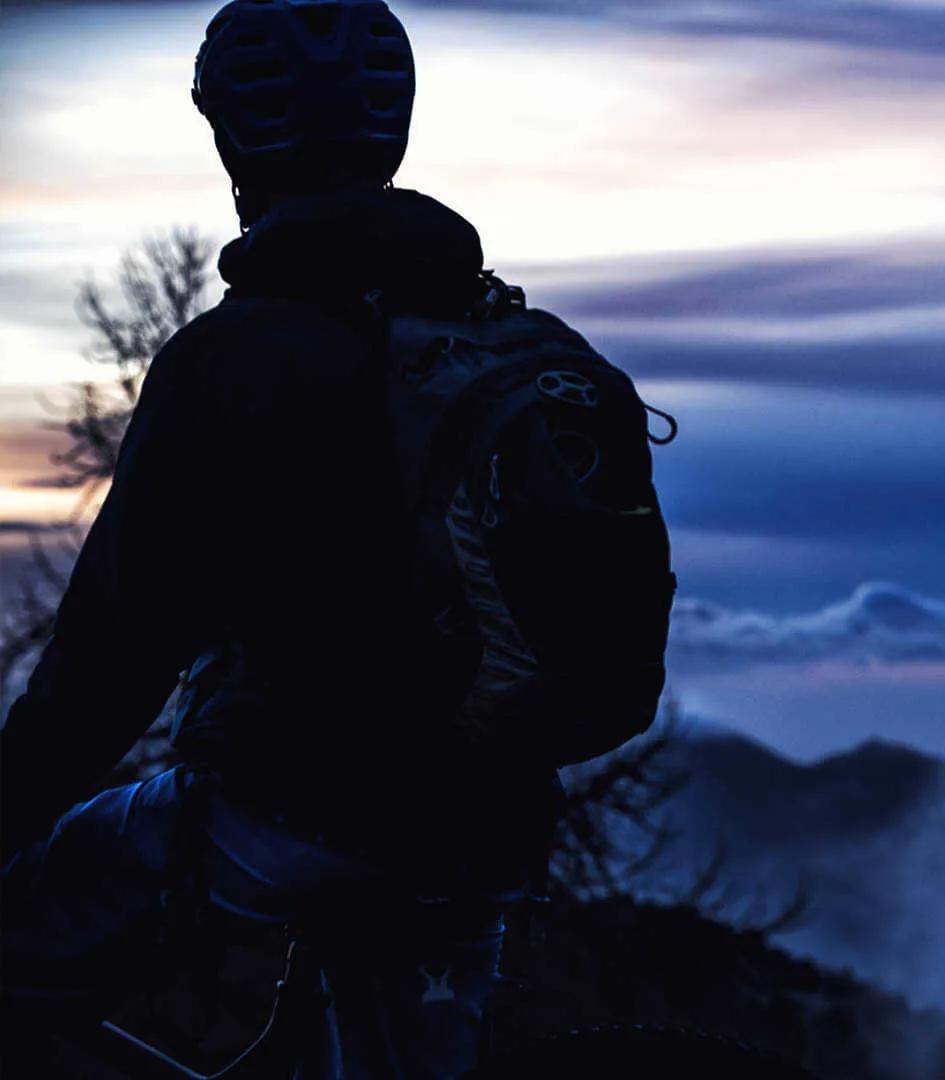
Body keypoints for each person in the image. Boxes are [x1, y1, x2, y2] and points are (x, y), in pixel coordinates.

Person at [0, 2, 589, 1075]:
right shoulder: (506, 344)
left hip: (283, 811)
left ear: (231, 140)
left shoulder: (229, 359)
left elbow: (109, 661)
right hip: (487, 826)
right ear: (393, 135)